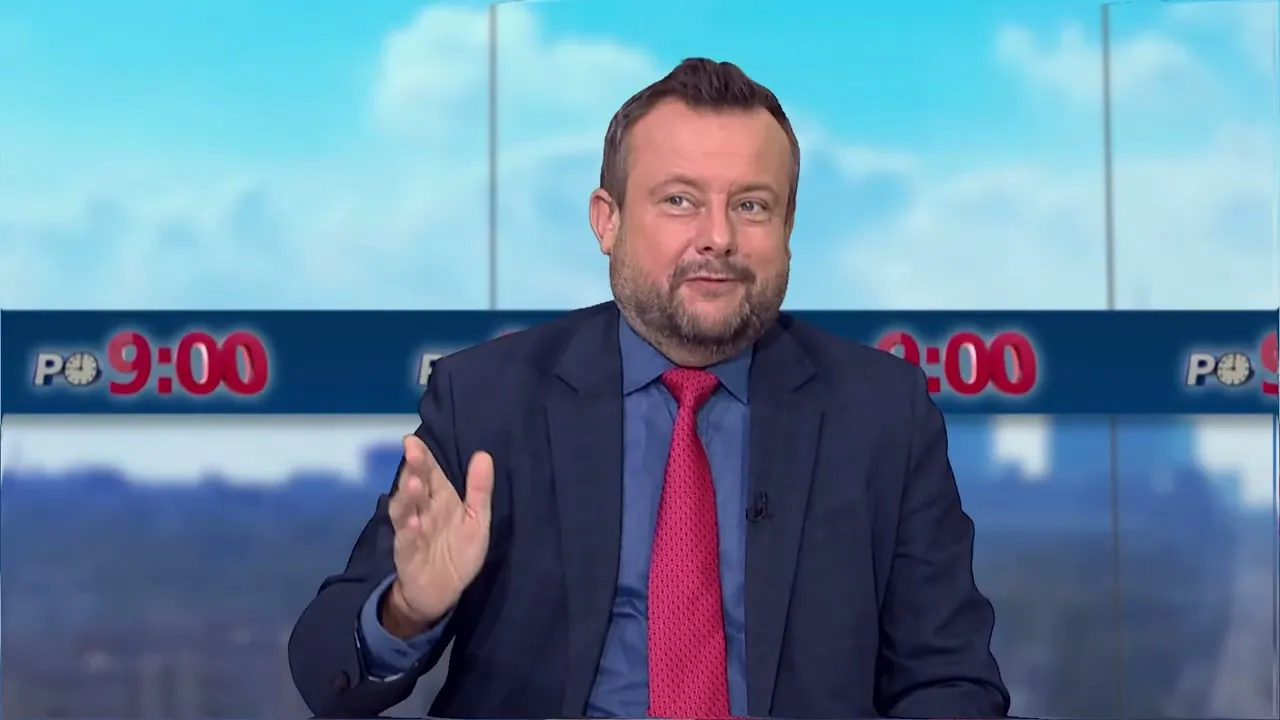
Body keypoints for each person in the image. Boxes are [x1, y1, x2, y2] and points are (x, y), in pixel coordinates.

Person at [289, 57, 1009, 720]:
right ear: (608, 222)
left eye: (752, 206)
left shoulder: (882, 412)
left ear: (788, 228)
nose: (718, 237)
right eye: (680, 200)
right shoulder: (487, 399)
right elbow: (324, 671)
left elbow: (951, 680)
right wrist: (409, 609)